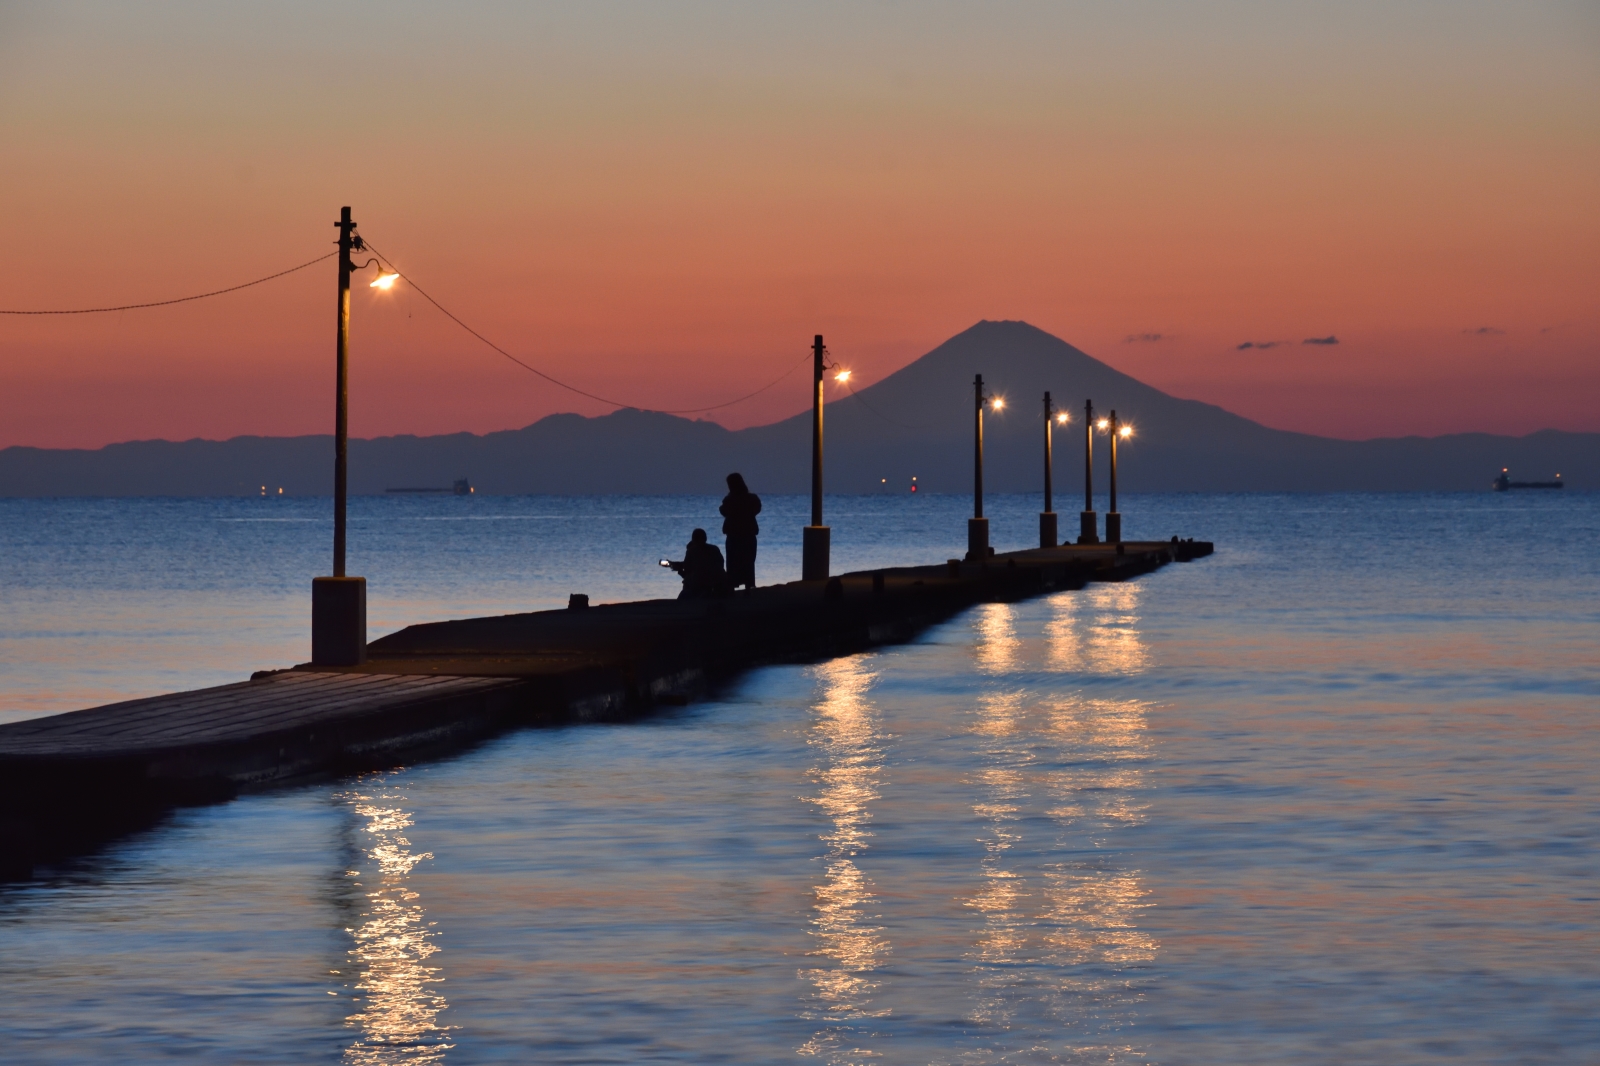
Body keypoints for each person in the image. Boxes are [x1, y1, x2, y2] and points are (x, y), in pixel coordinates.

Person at [719, 472, 762, 591]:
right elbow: (757, 509)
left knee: (733, 562)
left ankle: (732, 585)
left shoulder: (729, 499)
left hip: (734, 535)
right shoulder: (752, 498)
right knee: (748, 561)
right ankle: (748, 586)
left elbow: (723, 511)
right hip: (748, 534)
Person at [668, 528, 729, 600]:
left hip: (700, 585)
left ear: (694, 540)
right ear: (705, 538)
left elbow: (688, 570)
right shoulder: (714, 549)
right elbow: (719, 563)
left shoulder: (692, 551)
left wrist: (679, 570)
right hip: (719, 583)